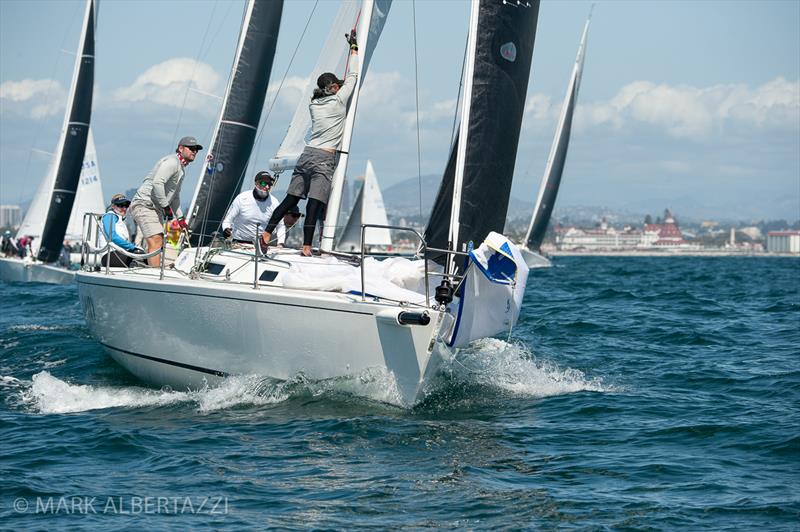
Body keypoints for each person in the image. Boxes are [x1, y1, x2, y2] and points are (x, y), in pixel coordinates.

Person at [261, 30, 360, 257]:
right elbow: (353, 76)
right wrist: (353, 49)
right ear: (334, 88)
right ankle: (307, 247)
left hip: (307, 155)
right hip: (324, 159)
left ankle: (266, 233)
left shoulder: (314, 104)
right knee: (314, 204)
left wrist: (337, 84)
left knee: (291, 199)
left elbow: (340, 85)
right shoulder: (338, 101)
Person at [129, 136, 202, 267]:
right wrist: (165, 206)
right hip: (144, 204)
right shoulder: (172, 162)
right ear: (181, 148)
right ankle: (156, 274)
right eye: (191, 148)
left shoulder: (180, 169)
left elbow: (175, 196)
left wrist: (180, 218)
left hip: (153, 208)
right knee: (156, 240)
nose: (194, 151)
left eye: (196, 149)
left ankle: (152, 270)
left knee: (158, 241)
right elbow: (157, 183)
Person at [221, 171, 287, 246]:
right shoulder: (242, 198)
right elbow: (227, 220)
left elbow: (280, 225)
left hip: (261, 245)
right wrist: (226, 229)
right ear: (256, 183)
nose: (267, 187)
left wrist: (281, 243)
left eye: (269, 184)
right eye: (263, 183)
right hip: (238, 242)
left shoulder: (274, 202)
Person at [98, 193, 143, 267]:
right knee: (140, 255)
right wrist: (132, 247)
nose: (124, 208)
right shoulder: (109, 216)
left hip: (119, 254)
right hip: (109, 256)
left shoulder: (119, 220)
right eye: (120, 205)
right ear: (113, 206)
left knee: (142, 255)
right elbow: (112, 236)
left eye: (126, 205)